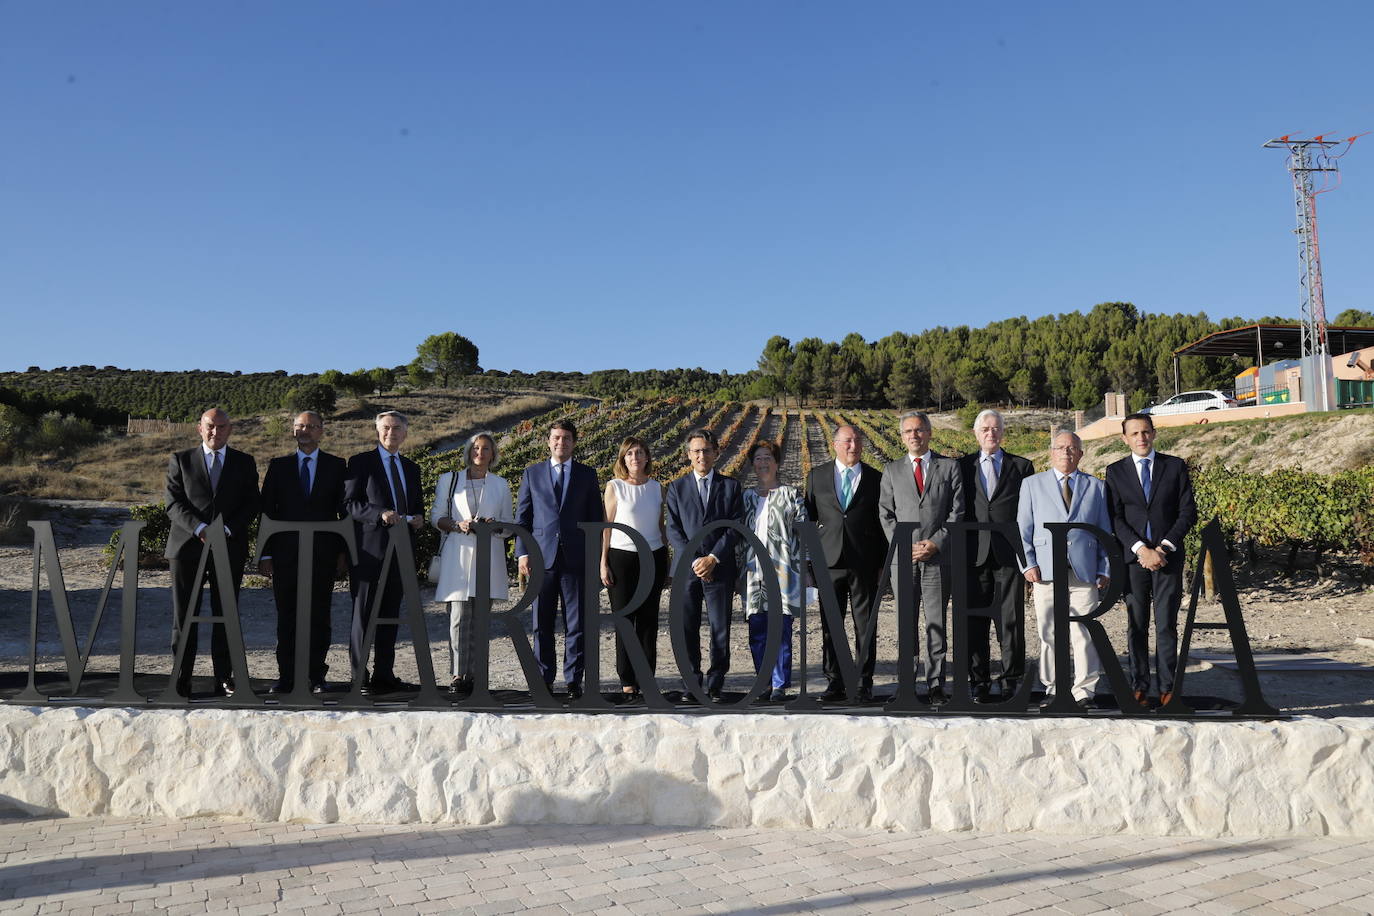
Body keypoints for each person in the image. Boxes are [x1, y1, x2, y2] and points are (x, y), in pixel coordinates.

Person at [163, 407, 261, 697]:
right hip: (186, 549)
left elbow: (251, 503)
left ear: (230, 430)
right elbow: (173, 503)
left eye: (221, 427)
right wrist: (200, 528)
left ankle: (224, 678)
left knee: (226, 614)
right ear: (199, 428)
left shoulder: (244, 462)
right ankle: (181, 679)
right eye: (209, 426)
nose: (215, 432)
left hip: (229, 548)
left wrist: (227, 529)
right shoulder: (180, 460)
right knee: (184, 616)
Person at [1106, 413, 1197, 709]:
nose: (1141, 438)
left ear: (1154, 434)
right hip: (1133, 561)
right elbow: (1115, 517)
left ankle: (1168, 688)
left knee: (1167, 624)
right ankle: (1139, 687)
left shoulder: (1174, 467)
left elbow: (1187, 513)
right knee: (1136, 623)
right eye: (1134, 434)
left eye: (1145, 432)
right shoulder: (1115, 471)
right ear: (1125, 439)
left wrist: (1163, 548)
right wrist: (1140, 550)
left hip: (1167, 558)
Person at [1017, 430, 1112, 710]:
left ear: (1081, 454)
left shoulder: (1097, 487)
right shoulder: (1032, 485)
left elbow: (1105, 531)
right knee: (1048, 632)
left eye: (1072, 449)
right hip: (1045, 572)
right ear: (1051, 452)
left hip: (1084, 572)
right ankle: (1053, 687)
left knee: (1084, 632)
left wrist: (1105, 567)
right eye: (1060, 448)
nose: (1066, 453)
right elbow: (1023, 530)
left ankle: (1084, 692)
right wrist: (1029, 564)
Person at [258, 410, 347, 695]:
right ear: (293, 430)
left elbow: (344, 513)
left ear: (322, 431)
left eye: (311, 426)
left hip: (323, 555)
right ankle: (287, 677)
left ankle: (316, 676)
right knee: (287, 617)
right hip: (285, 556)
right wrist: (265, 554)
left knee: (319, 616)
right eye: (300, 426)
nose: (305, 431)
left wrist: (343, 553)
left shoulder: (336, 466)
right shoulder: (279, 466)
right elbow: (266, 512)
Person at [878, 411, 965, 704]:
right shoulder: (891, 471)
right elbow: (886, 514)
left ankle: (936, 685)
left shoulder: (949, 467)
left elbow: (957, 512)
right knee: (906, 624)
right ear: (902, 437)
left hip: (938, 558)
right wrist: (905, 546)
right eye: (908, 432)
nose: (913, 435)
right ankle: (906, 685)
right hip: (903, 560)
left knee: (936, 623)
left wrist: (936, 542)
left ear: (929, 433)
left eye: (919, 430)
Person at [515, 419, 603, 699]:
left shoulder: (587, 475)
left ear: (574, 442)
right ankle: (543, 679)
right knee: (541, 622)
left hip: (576, 560)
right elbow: (523, 519)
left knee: (576, 624)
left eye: (566, 438)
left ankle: (574, 680)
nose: (560, 442)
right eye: (556, 438)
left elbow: (594, 520)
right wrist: (522, 552)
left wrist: (595, 558)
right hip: (541, 558)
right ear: (548, 441)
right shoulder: (532, 473)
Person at [957, 409, 1035, 702]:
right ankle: (978, 680)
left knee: (1011, 621)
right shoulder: (961, 466)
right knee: (974, 621)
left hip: (1008, 554)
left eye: (996, 428)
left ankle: (1011, 679)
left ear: (1003, 433)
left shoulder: (1022, 467)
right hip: (972, 555)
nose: (991, 433)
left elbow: (1028, 513)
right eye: (985, 429)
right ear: (976, 434)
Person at [805, 424, 886, 703]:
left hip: (865, 563)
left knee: (866, 626)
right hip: (828, 563)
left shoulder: (877, 478)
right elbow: (809, 521)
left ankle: (864, 682)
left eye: (857, 441)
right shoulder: (816, 477)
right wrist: (808, 566)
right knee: (831, 625)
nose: (853, 446)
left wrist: (882, 564)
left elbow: (883, 525)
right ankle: (835, 681)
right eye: (847, 441)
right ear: (835, 444)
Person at [344, 410, 424, 695]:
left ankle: (383, 674)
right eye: (386, 428)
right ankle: (359, 677)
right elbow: (351, 504)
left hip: (401, 551)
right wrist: (380, 514)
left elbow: (418, 507)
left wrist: (418, 518)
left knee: (390, 614)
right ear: (377, 431)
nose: (391, 433)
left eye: (397, 428)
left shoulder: (412, 468)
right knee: (363, 615)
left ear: (405, 432)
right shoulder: (360, 463)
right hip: (369, 551)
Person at [431, 431, 513, 697]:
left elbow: (509, 526)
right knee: (457, 618)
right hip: (458, 555)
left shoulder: (501, 484)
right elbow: (437, 518)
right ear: (469, 451)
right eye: (476, 448)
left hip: (488, 558)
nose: (480, 452)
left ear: (493, 454)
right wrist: (458, 525)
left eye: (486, 448)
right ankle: (457, 674)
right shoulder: (449, 480)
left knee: (480, 619)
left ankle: (476, 675)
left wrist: (493, 526)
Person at [666, 428, 743, 701]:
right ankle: (692, 683)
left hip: (719, 568)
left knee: (720, 628)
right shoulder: (676, 488)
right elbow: (673, 530)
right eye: (696, 451)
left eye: (706, 450)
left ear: (716, 453)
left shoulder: (731, 487)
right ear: (689, 456)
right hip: (686, 570)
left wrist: (713, 558)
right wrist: (697, 560)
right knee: (687, 627)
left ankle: (715, 683)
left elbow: (735, 527)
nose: (702, 455)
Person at [739, 440, 809, 702]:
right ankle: (763, 683)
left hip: (784, 571)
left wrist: (806, 569)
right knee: (757, 629)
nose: (763, 463)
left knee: (781, 629)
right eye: (758, 458)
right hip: (753, 573)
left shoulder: (791, 495)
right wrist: (737, 571)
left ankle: (779, 685)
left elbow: (804, 535)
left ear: (777, 462)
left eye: (768, 457)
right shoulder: (746, 498)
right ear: (752, 464)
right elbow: (739, 538)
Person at [599, 436, 668, 698]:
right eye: (629, 454)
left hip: (653, 557)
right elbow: (606, 527)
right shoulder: (615, 487)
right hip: (621, 559)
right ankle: (627, 678)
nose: (635, 458)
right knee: (625, 620)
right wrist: (603, 562)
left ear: (647, 457)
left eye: (639, 453)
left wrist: (668, 561)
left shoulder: (657, 488)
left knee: (649, 622)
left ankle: (647, 677)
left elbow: (661, 527)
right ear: (623, 459)